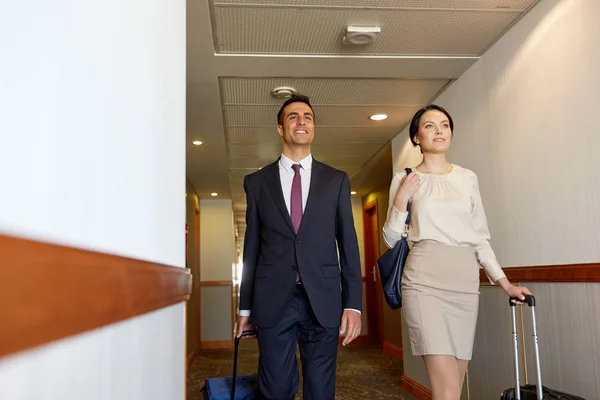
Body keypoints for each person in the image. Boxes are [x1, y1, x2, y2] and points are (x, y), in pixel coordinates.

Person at [382, 104, 532, 400]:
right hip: (424, 281)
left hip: (464, 284)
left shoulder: (467, 178)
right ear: (416, 137)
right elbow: (390, 238)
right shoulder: (405, 178)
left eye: (445, 125)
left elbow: (480, 240)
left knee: (455, 386)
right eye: (429, 126)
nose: (439, 131)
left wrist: (505, 283)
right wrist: (402, 198)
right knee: (447, 390)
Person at [236, 94, 363, 400]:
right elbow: (251, 249)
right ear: (281, 129)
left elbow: (348, 244)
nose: (301, 121)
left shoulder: (337, 180)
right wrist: (245, 307)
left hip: (323, 298)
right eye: (293, 117)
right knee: (276, 388)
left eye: (307, 116)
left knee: (321, 389)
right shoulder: (257, 183)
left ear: (314, 129)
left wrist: (353, 304)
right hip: (273, 299)